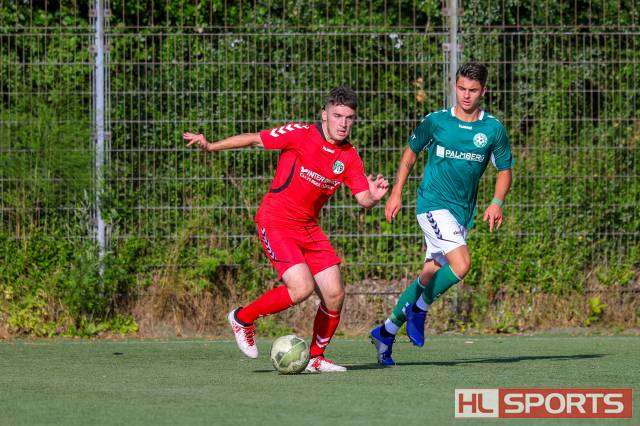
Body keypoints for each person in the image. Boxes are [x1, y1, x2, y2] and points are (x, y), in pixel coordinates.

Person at [184, 86, 389, 372]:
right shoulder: (301, 134)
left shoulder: (349, 156)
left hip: (308, 228)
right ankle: (242, 319)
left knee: (335, 293)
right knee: (302, 287)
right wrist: (211, 146)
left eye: (349, 118)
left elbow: (362, 198)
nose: (343, 123)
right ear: (324, 115)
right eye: (337, 116)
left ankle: (315, 358)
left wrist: (374, 197)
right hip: (276, 221)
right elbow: (253, 139)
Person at [370, 62, 514, 365]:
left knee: (429, 274)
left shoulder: (492, 129)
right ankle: (419, 309)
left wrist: (496, 202)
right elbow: (410, 153)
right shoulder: (436, 121)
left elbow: (504, 170)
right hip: (432, 204)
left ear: (483, 91)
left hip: (462, 213)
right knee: (462, 264)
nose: (466, 95)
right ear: (455, 87)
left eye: (473, 90)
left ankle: (386, 331)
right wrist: (396, 192)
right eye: (461, 88)